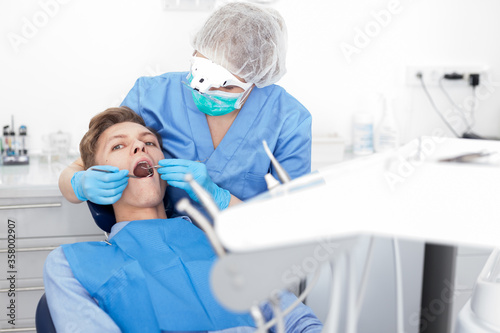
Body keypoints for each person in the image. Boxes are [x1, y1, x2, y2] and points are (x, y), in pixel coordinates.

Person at [43, 107, 323, 332]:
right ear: (98, 177)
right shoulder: (72, 261)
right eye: (118, 147)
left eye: (149, 142)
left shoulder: (221, 245)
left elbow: (295, 319)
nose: (140, 147)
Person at [58, 2, 312, 213]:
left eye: (226, 86)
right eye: (200, 75)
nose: (205, 91)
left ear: (257, 78)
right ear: (196, 51)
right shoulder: (152, 96)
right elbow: (85, 164)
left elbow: (290, 217)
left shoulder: (287, 119)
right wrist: (79, 185)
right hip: (163, 242)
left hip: (241, 251)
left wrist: (216, 195)